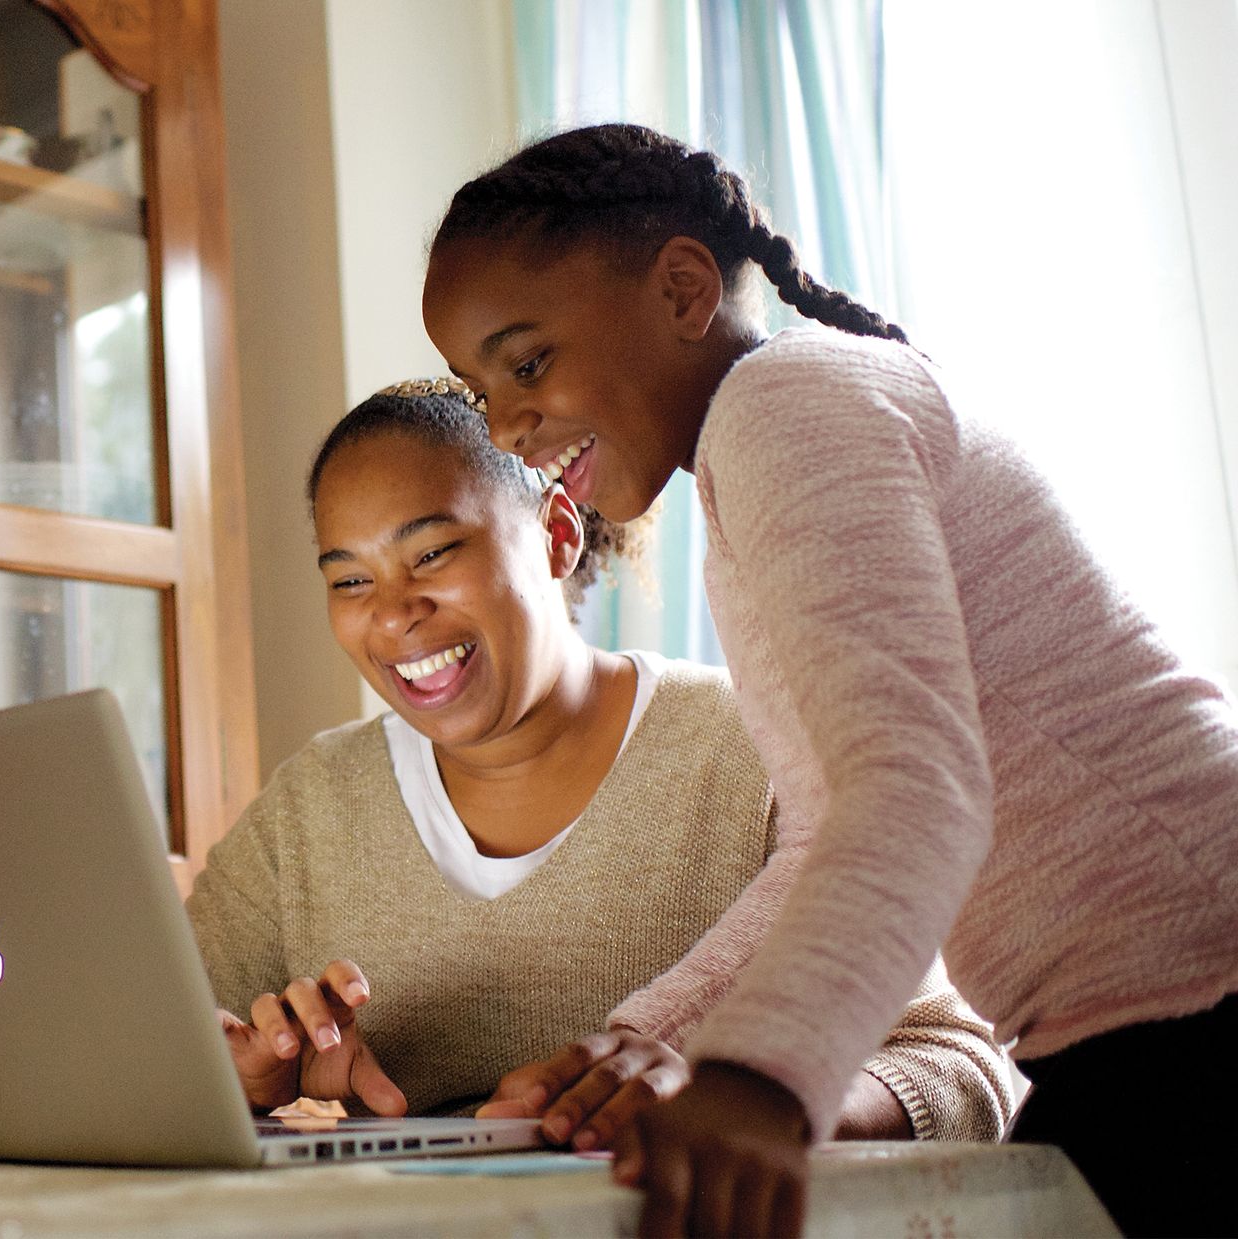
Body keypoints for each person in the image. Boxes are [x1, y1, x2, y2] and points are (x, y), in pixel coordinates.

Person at [419, 122, 1238, 1238]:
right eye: (481, 390)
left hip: (1202, 995)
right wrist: (645, 1042)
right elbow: (826, 837)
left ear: (681, 288)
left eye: (526, 363)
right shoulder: (755, 459)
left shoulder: (785, 410)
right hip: (1141, 1018)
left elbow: (918, 794)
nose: (508, 426)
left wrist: (762, 1077)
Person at [184, 382, 1014, 1148]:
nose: (395, 613)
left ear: (555, 534)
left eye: (432, 554)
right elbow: (151, 1056)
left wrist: (735, 1101)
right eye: (352, 579)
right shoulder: (310, 810)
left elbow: (965, 1070)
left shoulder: (753, 754)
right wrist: (255, 1090)